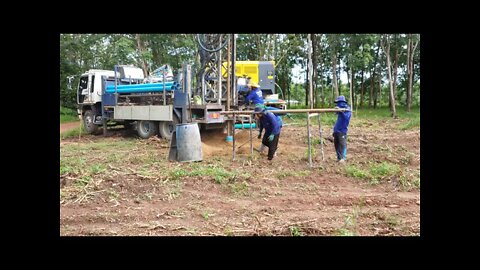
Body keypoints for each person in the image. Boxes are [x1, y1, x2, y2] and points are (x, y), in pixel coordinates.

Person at [333, 95, 352, 163]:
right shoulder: (340, 109)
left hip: (342, 130)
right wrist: (337, 110)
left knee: (342, 144)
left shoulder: (347, 109)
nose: (338, 104)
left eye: (339, 102)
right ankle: (339, 158)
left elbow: (346, 118)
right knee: (336, 144)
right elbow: (335, 112)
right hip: (336, 130)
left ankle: (343, 158)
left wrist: (342, 111)